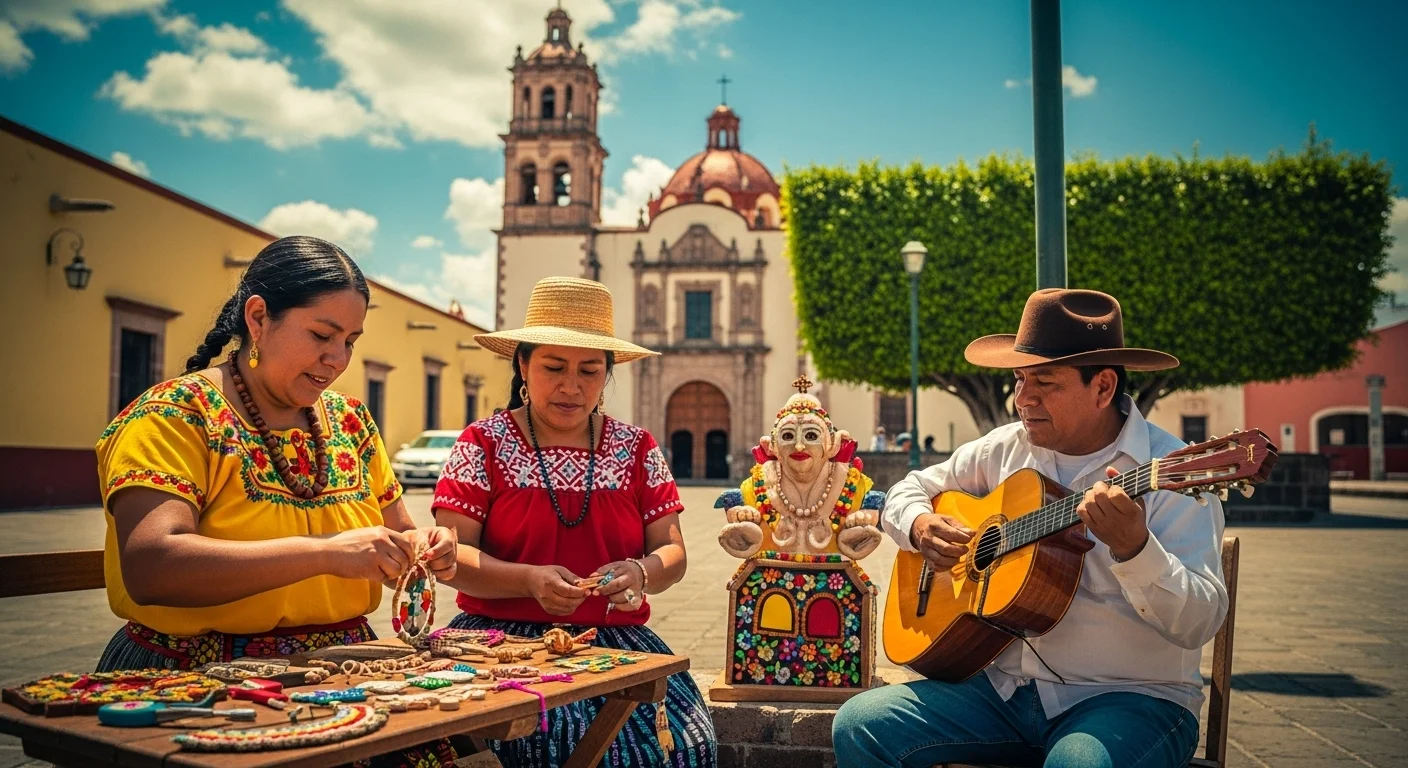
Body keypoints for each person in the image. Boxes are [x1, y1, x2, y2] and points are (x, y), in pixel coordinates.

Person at [96, 236, 460, 767]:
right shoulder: (176, 415)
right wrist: (327, 552)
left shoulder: (351, 422)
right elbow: (152, 565)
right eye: (321, 335)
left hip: (346, 671)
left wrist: (421, 548)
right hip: (198, 681)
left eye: (351, 341)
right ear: (259, 318)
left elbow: (398, 530)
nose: (337, 360)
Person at [833, 289, 1228, 768]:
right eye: (1019, 380)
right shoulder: (1003, 449)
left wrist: (1137, 549)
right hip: (1000, 692)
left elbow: (1201, 622)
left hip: (1131, 699)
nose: (1023, 398)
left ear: (1103, 387)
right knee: (860, 726)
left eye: (1045, 382)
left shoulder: (1170, 474)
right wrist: (919, 526)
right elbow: (907, 489)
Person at [432, 277, 716, 767]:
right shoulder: (483, 443)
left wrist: (640, 573)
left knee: (684, 743)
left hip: (615, 646)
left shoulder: (636, 447)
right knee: (538, 741)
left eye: (589, 370)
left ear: (607, 375)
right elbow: (451, 556)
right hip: (496, 645)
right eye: (553, 367)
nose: (571, 385)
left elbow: (672, 553)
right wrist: (527, 581)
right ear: (522, 365)